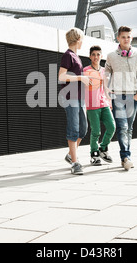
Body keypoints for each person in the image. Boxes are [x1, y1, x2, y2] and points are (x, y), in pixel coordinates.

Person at [105, 26, 137, 171]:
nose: (126, 39)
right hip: (118, 96)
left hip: (133, 96)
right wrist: (107, 88)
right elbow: (107, 72)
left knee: (129, 128)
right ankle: (125, 157)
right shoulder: (111, 56)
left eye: (128, 37)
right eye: (123, 37)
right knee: (122, 127)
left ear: (131, 38)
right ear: (118, 38)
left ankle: (126, 156)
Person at [58, 28, 90, 175]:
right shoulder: (68, 55)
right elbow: (61, 77)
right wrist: (80, 78)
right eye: (82, 39)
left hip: (79, 97)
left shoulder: (76, 56)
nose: (83, 42)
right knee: (74, 129)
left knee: (83, 129)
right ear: (78, 40)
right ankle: (75, 163)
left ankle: (71, 154)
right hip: (70, 97)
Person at [83, 46, 116, 166]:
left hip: (105, 104)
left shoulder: (104, 71)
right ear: (90, 56)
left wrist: (110, 102)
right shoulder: (85, 71)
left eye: (98, 54)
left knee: (112, 127)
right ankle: (94, 154)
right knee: (96, 131)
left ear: (101, 56)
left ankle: (103, 148)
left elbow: (107, 87)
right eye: (93, 54)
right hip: (92, 105)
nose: (96, 57)